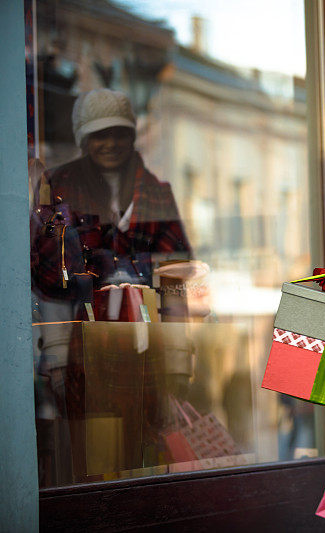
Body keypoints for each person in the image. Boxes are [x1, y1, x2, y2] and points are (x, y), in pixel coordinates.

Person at [30, 88, 192, 483]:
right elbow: (50, 281)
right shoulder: (59, 187)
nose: (111, 143)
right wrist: (56, 359)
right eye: (100, 135)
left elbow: (174, 277)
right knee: (92, 452)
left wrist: (179, 357)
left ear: (132, 135)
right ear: (84, 139)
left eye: (119, 133)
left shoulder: (156, 191)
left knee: (147, 446)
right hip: (82, 343)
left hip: (146, 345)